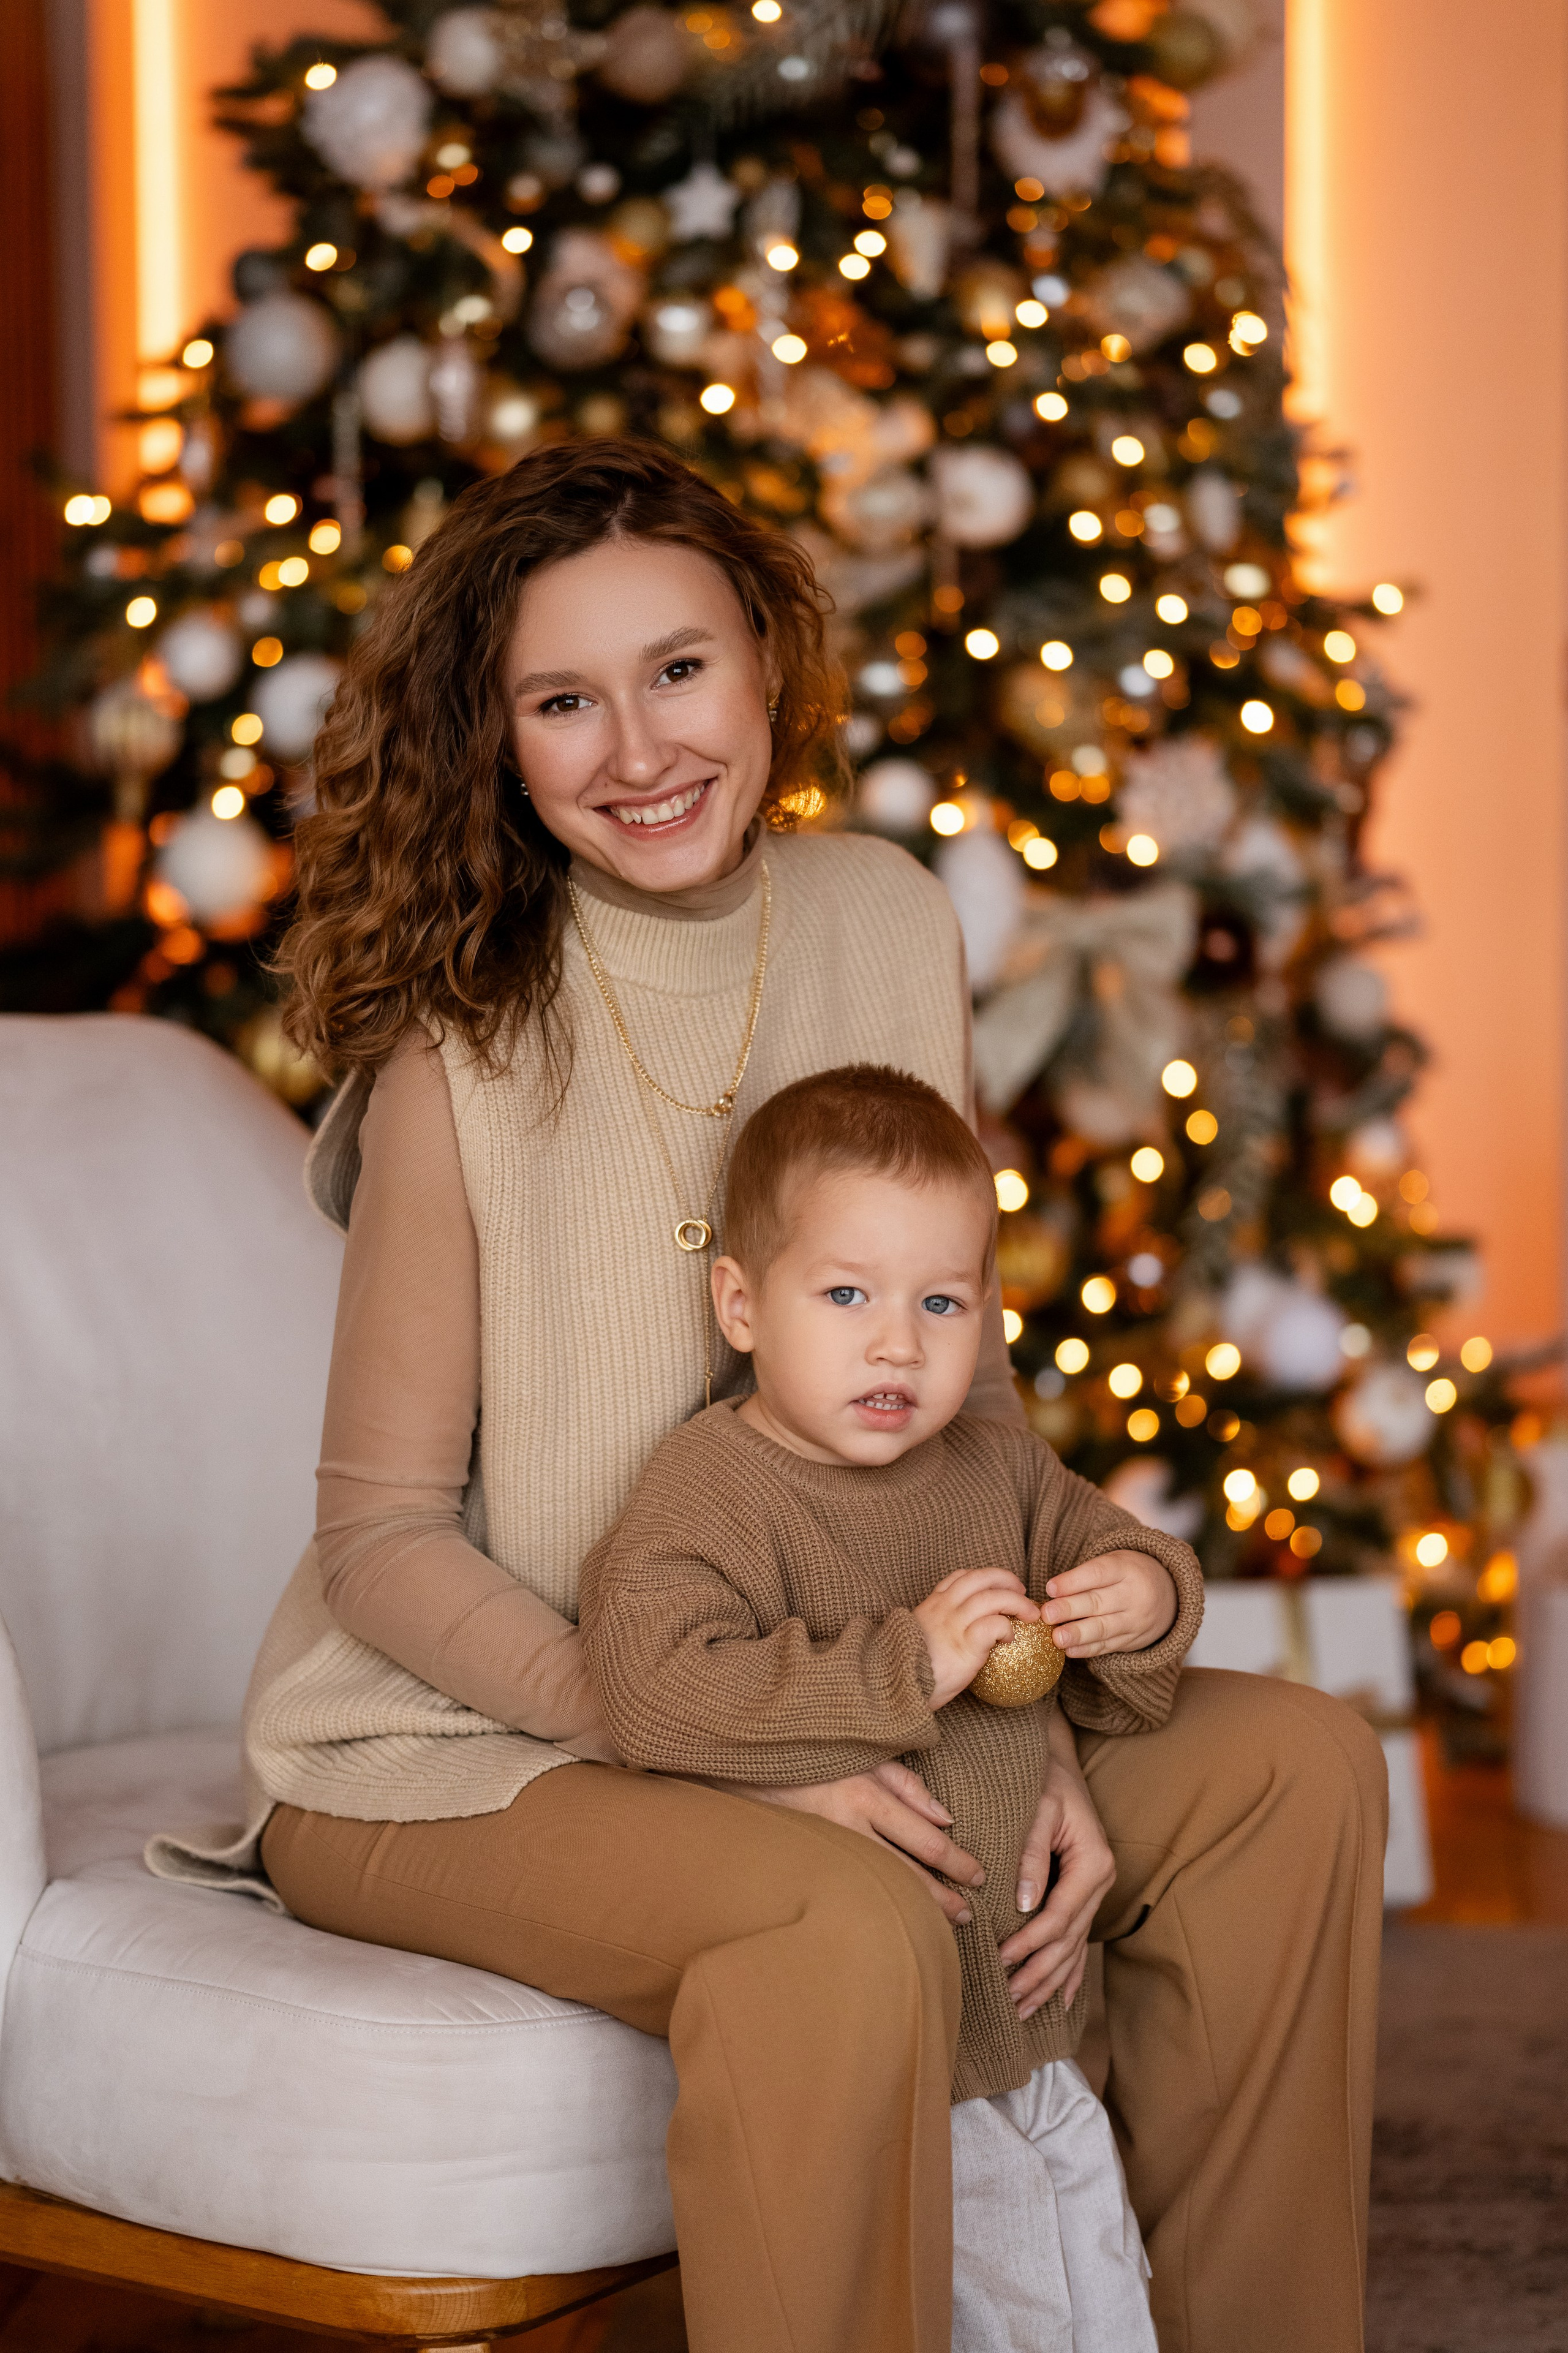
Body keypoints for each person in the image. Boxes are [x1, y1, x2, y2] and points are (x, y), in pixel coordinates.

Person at [154, 438, 1385, 2353]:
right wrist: (731, 1741)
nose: (640, 749)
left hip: (859, 1662)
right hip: (458, 1744)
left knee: (1296, 1770)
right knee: (840, 1908)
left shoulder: (887, 921)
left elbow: (954, 1377)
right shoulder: (454, 1050)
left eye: (679, 670)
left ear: (765, 657)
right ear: (498, 740)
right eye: (564, 701)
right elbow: (380, 1538)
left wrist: (1016, 1724)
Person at [579, 1061, 1208, 2351]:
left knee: (1103, 2295)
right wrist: (906, 1662)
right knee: (995, 2313)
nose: (897, 1344)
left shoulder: (995, 1467)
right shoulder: (715, 1486)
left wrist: (1143, 1594)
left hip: (1032, 2030)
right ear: (741, 1305)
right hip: (895, 2045)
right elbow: (652, 1683)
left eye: (941, 1301)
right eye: (846, 1294)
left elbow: (1120, 1547)